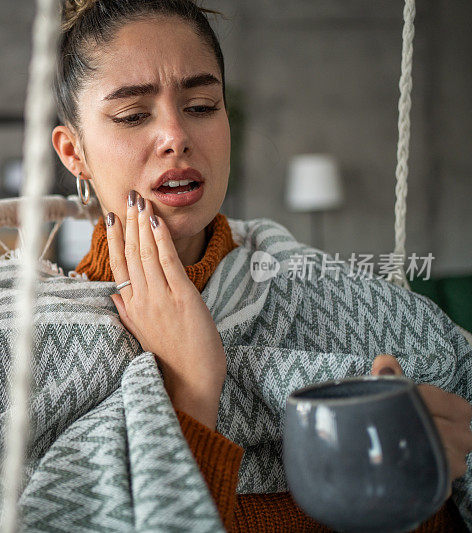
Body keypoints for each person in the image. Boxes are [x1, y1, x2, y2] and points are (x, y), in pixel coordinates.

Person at [50, 0, 472, 530]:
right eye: (134, 115)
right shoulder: (33, 342)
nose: (176, 136)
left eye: (202, 105)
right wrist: (194, 388)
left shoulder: (317, 288)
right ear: (74, 153)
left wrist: (428, 483)